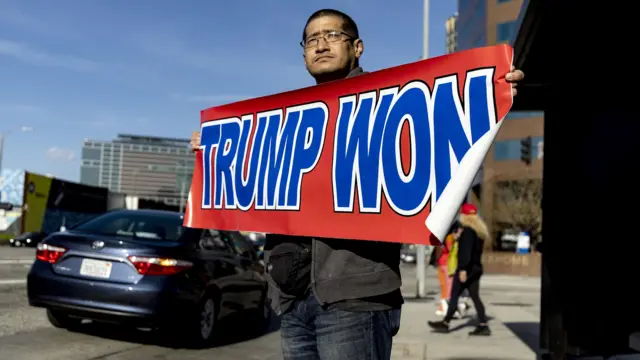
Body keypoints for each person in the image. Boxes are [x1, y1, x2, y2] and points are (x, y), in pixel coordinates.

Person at [190, 9, 525, 359]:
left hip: (356, 302)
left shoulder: (390, 104)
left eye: (332, 35)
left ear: (358, 47)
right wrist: (213, 149)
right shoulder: (283, 123)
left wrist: (492, 90)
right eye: (312, 39)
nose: (320, 45)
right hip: (293, 301)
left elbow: (448, 122)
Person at [428, 203, 491, 336]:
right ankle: (483, 325)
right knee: (474, 296)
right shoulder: (480, 232)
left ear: (465, 216)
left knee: (455, 295)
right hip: (476, 268)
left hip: (466, 269)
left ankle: (445, 323)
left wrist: (462, 269)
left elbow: (466, 252)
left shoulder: (468, 231)